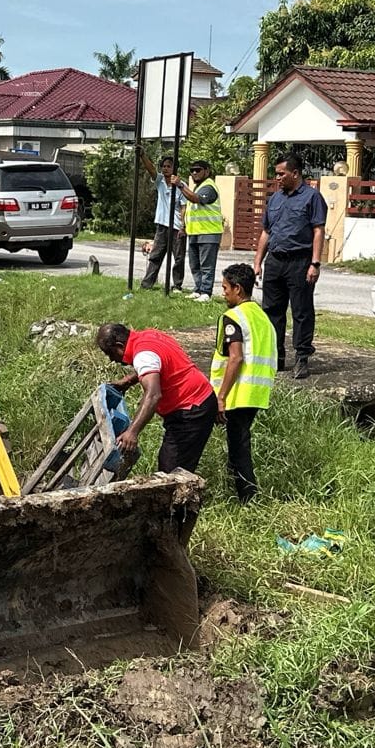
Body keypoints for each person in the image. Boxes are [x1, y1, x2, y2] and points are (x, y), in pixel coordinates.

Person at [96, 322, 218, 474]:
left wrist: (132, 432)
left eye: (110, 353)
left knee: (171, 473)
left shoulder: (143, 355)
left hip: (191, 409)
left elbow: (153, 395)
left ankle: (181, 496)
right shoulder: (148, 336)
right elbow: (158, 363)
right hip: (200, 397)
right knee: (174, 465)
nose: (111, 359)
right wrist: (128, 381)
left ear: (120, 345)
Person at [253, 152, 327, 379]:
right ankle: (277, 357)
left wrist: (315, 263)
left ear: (295, 173)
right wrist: (258, 262)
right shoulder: (275, 199)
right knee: (272, 311)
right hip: (276, 260)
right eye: (276, 174)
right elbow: (266, 232)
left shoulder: (312, 198)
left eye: (281, 174)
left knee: (301, 311)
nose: (277, 178)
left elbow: (318, 230)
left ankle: (302, 358)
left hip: (300, 261)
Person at [210, 263, 276, 504]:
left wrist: (220, 396)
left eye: (225, 287)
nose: (223, 292)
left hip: (238, 393)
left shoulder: (233, 317)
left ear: (238, 289)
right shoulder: (261, 317)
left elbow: (235, 357)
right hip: (257, 393)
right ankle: (235, 486)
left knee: (239, 447)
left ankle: (248, 498)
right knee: (238, 441)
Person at [175, 160, 224, 301]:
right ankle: (198, 289)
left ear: (207, 171)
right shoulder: (197, 187)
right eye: (192, 170)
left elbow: (196, 199)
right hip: (195, 232)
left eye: (198, 170)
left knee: (206, 265)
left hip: (209, 232)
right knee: (195, 264)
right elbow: (190, 209)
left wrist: (180, 185)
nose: (194, 173)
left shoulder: (209, 187)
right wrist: (184, 227)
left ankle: (206, 292)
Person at [136, 151, 185, 291]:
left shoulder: (181, 185)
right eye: (163, 166)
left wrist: (183, 226)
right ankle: (147, 284)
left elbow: (184, 207)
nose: (165, 169)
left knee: (178, 258)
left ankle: (177, 285)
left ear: (175, 168)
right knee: (155, 256)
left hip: (176, 227)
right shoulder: (160, 181)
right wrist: (142, 154)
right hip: (162, 226)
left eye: (169, 166)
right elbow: (150, 169)